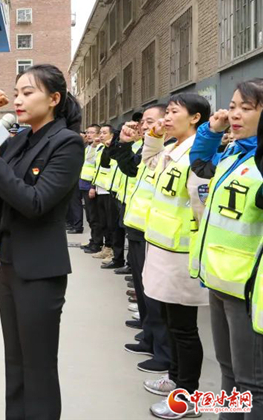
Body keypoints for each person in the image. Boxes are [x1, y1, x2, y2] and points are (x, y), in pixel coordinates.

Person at [0, 64, 84, 419]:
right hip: (11, 261)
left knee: (38, 366)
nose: (18, 100)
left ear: (54, 99)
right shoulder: (23, 138)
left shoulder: (67, 143)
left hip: (40, 270)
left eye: (27, 92)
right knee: (15, 361)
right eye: (16, 93)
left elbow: (35, 202)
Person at [189, 79, 263, 417]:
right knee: (228, 371)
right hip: (219, 280)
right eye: (232, 106)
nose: (234, 114)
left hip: (248, 291)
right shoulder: (234, 154)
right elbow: (200, 164)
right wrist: (210, 131)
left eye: (246, 108)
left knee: (253, 384)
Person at [141, 93, 211, 419]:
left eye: (173, 112)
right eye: (166, 112)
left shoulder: (196, 155)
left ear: (195, 118)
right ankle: (174, 378)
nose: (166, 118)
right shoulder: (172, 149)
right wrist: (154, 137)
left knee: (184, 329)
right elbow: (148, 164)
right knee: (171, 322)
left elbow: (201, 208)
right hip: (163, 250)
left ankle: (187, 396)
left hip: (182, 253)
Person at [115, 105, 173, 376]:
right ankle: (149, 335)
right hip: (138, 226)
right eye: (143, 123)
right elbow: (129, 170)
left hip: (155, 230)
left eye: (150, 121)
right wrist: (124, 144)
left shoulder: (170, 153)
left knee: (155, 294)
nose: (143, 126)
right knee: (143, 287)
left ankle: (162, 349)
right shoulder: (148, 149)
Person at [89, 125, 120, 265]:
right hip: (100, 188)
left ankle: (112, 251)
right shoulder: (100, 148)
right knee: (103, 222)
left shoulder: (115, 148)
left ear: (112, 135)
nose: (101, 135)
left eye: (104, 133)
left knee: (111, 223)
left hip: (109, 190)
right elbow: (95, 165)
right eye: (100, 132)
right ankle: (106, 248)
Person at [80, 125, 104, 252]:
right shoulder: (89, 147)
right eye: (87, 132)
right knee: (90, 216)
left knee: (94, 217)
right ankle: (93, 240)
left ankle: (97, 243)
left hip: (91, 185)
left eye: (92, 132)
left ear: (99, 134)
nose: (88, 135)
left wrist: (92, 186)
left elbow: (96, 168)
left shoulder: (99, 148)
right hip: (84, 184)